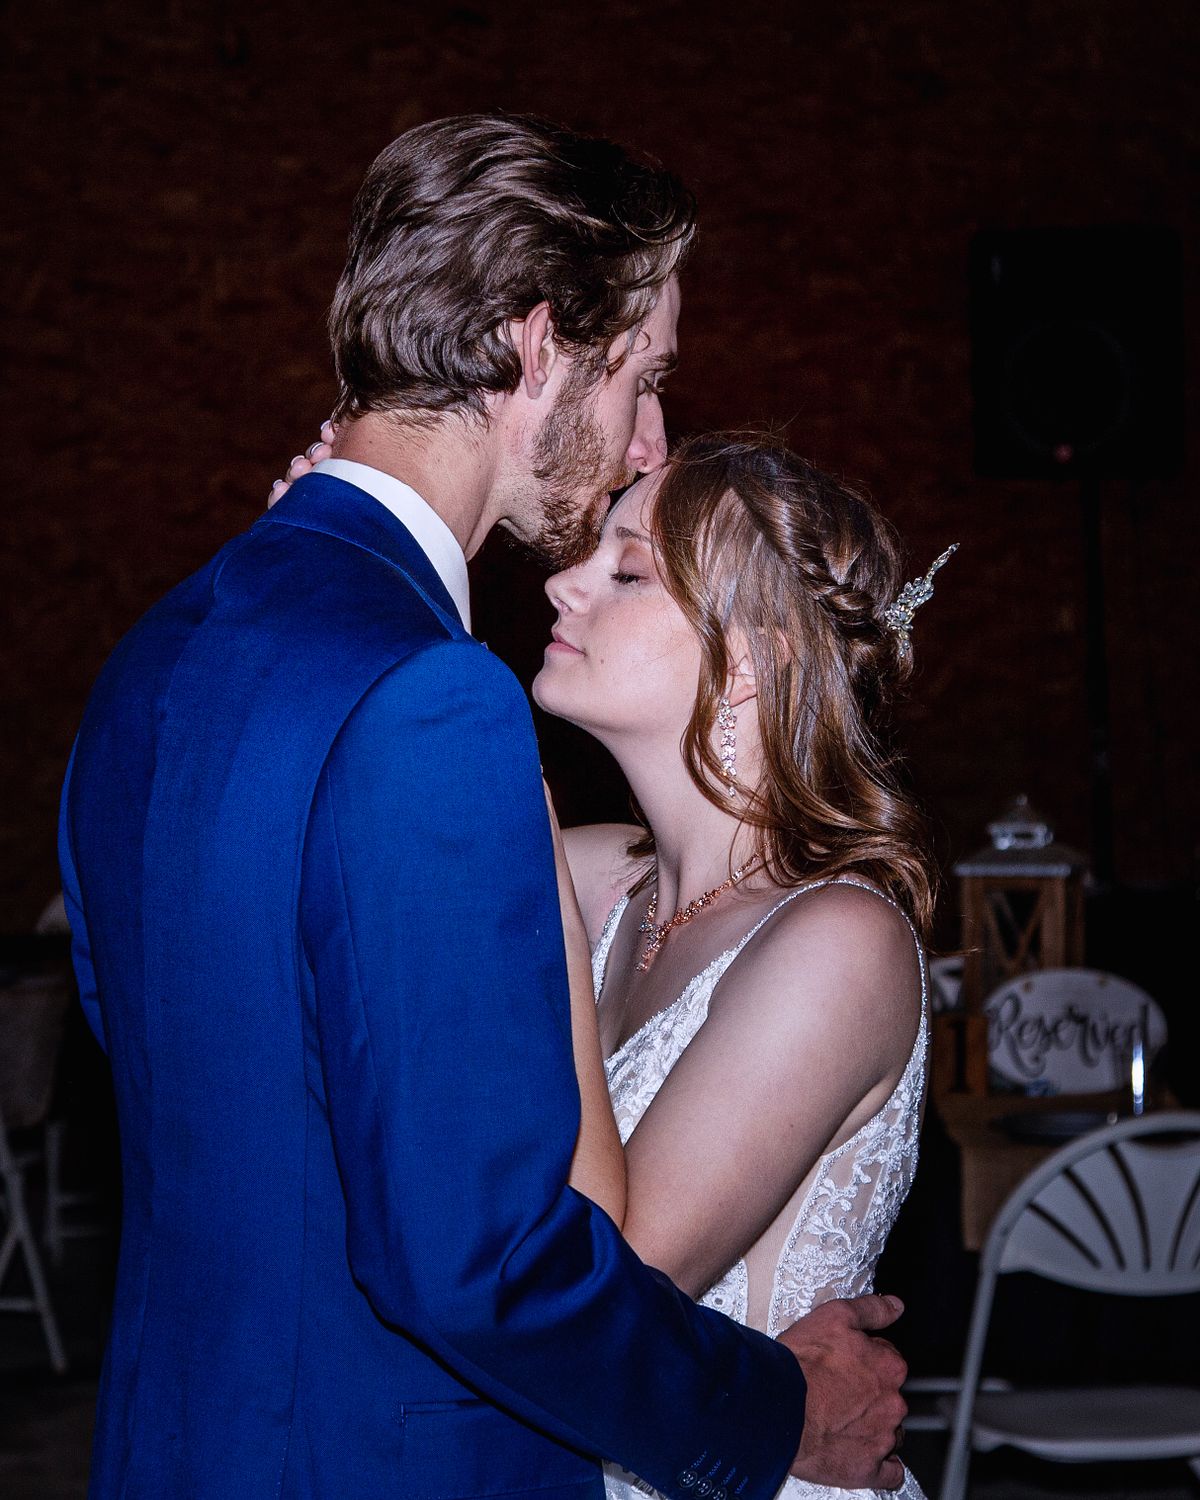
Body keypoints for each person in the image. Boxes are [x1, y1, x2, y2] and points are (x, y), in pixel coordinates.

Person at [59, 113, 907, 1500]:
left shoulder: (160, 649)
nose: (647, 437)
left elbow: (171, 1052)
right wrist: (776, 1419)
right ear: (536, 345)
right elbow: (476, 1257)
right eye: (643, 376)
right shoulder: (431, 699)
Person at [534, 435, 949, 1500]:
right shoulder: (600, 882)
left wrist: (526, 859)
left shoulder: (838, 940)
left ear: (753, 659)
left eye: (628, 571)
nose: (562, 583)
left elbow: (612, 1286)